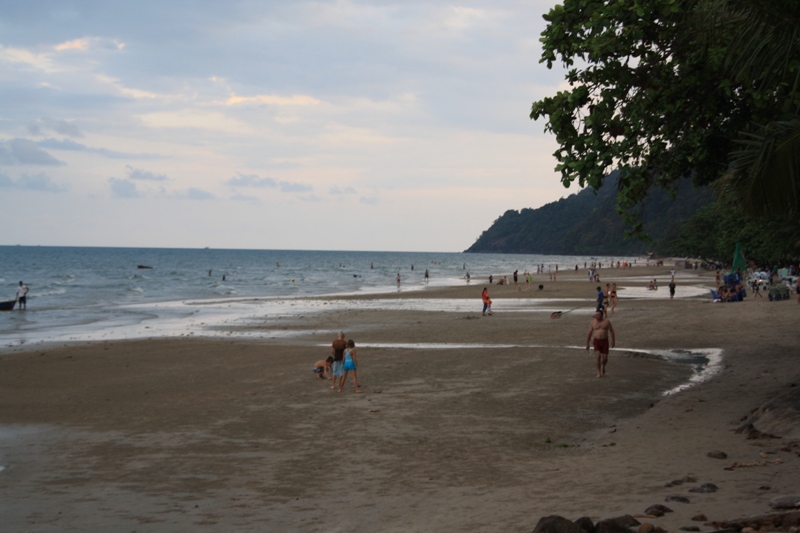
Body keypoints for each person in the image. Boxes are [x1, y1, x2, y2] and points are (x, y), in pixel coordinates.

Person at [586, 310, 615, 378]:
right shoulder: (592, 323)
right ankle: (598, 372)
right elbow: (590, 333)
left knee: (605, 358)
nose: (596, 316)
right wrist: (587, 343)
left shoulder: (606, 322)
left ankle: (603, 366)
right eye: (596, 315)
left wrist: (613, 341)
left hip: (605, 341)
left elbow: (611, 331)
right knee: (598, 357)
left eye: (598, 315)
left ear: (602, 315)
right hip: (596, 341)